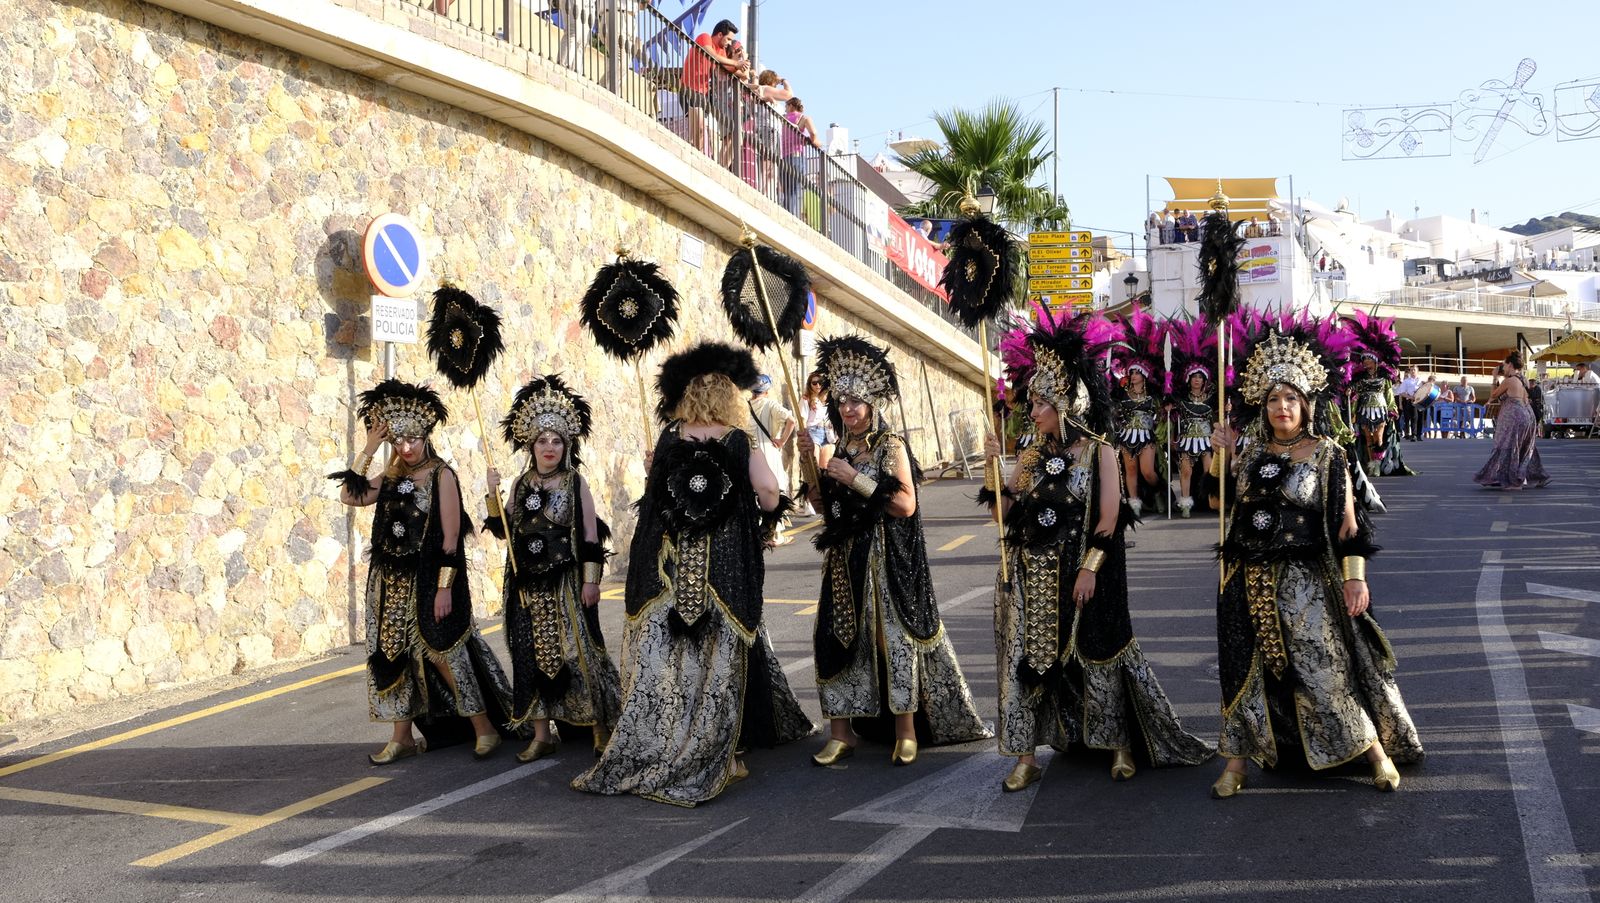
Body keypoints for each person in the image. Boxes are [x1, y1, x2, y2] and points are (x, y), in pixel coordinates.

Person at [572, 343, 814, 806]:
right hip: (722, 573)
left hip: (667, 571)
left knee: (669, 663)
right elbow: (768, 492)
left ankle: (660, 741)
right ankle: (725, 754)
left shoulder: (669, 437)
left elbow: (655, 502)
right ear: (728, 398)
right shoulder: (738, 439)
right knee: (716, 663)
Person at [984, 310, 1212, 792]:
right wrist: (991, 468)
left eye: (1040, 404)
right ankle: (1026, 755)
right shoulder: (1030, 454)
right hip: (1034, 571)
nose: (1033, 411)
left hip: (1087, 569)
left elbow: (1110, 516)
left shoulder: (1098, 450)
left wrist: (1089, 569)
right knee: (1027, 658)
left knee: (1099, 653)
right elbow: (1002, 514)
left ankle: (1119, 744)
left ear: (1064, 405)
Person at [1209, 332, 1423, 799]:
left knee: (1322, 668)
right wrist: (1220, 454)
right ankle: (1236, 761)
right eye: (1272, 399)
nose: (1280, 406)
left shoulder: (1329, 454)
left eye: (1290, 398)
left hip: (1305, 581)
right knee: (1243, 670)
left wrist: (1354, 581)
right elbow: (1219, 504)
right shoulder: (1248, 454)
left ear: (1307, 404)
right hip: (1245, 579)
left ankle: (1374, 753)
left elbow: (1348, 526)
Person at [798, 337, 991, 768]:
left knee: (893, 641)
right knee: (835, 637)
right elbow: (821, 508)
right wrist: (809, 466)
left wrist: (852, 479)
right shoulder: (838, 449)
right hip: (844, 563)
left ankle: (906, 732)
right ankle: (841, 732)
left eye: (857, 400)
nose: (849, 408)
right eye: (842, 400)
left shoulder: (891, 446)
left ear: (872, 402)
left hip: (886, 561)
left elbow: (905, 504)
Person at [328, 379, 515, 764]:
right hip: (389, 583)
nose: (405, 447)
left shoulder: (441, 475)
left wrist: (444, 590)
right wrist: (369, 447)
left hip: (429, 581)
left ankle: (484, 727)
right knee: (392, 655)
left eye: (412, 439)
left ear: (426, 435)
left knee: (442, 653)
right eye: (398, 440)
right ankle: (402, 736)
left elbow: (450, 539)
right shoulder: (392, 476)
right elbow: (350, 495)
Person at [484, 375, 621, 762]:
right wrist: (492, 495)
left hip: (566, 584)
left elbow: (592, 539)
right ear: (531, 444)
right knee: (529, 655)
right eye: (542, 440)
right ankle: (542, 734)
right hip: (527, 586)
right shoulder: (520, 483)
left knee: (579, 655)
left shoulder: (577, 483)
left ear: (567, 444)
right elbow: (504, 532)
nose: (549, 447)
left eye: (556, 440)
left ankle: (598, 726)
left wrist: (590, 583)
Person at [1108, 309, 1164, 516]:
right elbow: (1112, 406)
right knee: (1130, 470)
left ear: (1145, 374)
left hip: (1146, 436)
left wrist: (1166, 410)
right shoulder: (1122, 393)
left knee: (1147, 471)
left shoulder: (1153, 396)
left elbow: (1163, 413)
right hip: (1126, 436)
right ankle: (1134, 503)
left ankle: (1159, 492)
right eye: (1131, 372)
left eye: (1136, 372)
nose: (1132, 375)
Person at [1474, 352, 1551, 491]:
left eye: (1504, 364)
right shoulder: (1523, 380)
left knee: (1510, 446)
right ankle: (1537, 477)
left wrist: (1494, 378)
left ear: (1510, 364)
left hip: (1515, 416)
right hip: (1528, 415)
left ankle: (1514, 481)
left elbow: (1494, 394)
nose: (1503, 367)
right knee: (1526, 447)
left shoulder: (1509, 381)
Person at [679, 19, 745, 160]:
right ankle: (695, 156)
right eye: (728, 39)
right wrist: (736, 63)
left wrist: (742, 64)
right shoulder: (705, 37)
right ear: (720, 35)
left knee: (701, 132)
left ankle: (697, 159)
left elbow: (734, 71)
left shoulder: (721, 51)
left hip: (703, 95)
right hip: (688, 90)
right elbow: (712, 55)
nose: (729, 43)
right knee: (700, 127)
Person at [748, 375, 796, 544]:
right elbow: (791, 420)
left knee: (754, 492)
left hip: (750, 453)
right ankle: (775, 534)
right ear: (767, 390)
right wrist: (782, 440)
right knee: (775, 490)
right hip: (769, 450)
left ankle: (757, 530)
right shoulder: (771, 404)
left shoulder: (745, 406)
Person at [799, 370, 835, 516]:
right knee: (811, 469)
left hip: (827, 432)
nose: (818, 385)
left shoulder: (827, 398)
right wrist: (803, 435)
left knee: (824, 469)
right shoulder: (806, 398)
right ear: (810, 384)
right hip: (813, 431)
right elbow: (802, 418)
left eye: (820, 382)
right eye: (814, 382)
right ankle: (807, 502)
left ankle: (822, 501)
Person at [780, 97, 821, 218]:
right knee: (794, 190)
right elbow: (813, 133)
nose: (786, 109)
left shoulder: (783, 118)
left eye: (786, 106)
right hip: (797, 156)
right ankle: (790, 216)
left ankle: (786, 213)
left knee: (787, 190)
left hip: (784, 157)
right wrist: (813, 141)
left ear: (791, 106)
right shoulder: (803, 118)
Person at [1411, 374, 1440, 441]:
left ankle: (1420, 435)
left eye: (1433, 381)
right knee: (1419, 419)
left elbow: (1435, 396)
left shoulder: (1434, 387)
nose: (1432, 381)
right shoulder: (1424, 384)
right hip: (1421, 403)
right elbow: (1420, 392)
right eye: (1431, 380)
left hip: (1428, 404)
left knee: (1423, 419)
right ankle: (1417, 434)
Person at [1394, 366, 1420, 441]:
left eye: (1414, 370)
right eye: (1411, 370)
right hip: (1409, 400)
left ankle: (1415, 434)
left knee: (1415, 418)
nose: (1412, 371)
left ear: (1417, 371)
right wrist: (1410, 397)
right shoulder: (1406, 381)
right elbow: (1401, 392)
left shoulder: (1421, 381)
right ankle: (1407, 433)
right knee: (1407, 417)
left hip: (1418, 401)